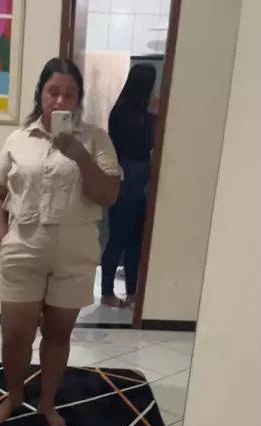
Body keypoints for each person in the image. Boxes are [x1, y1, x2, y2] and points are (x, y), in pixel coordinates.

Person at [0, 58, 121, 426]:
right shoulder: (18, 139)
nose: (60, 101)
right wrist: (4, 241)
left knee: (58, 334)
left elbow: (109, 195)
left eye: (69, 94)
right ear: (41, 95)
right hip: (23, 249)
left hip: (74, 255)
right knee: (15, 335)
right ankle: (15, 396)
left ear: (79, 99)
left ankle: (47, 404)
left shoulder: (95, 139)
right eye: (53, 92)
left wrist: (79, 155)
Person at [101, 64, 157, 309]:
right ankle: (108, 292)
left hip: (137, 178)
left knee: (135, 239)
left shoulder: (130, 111)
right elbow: (146, 143)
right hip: (128, 178)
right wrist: (154, 116)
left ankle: (132, 291)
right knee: (120, 238)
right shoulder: (127, 113)